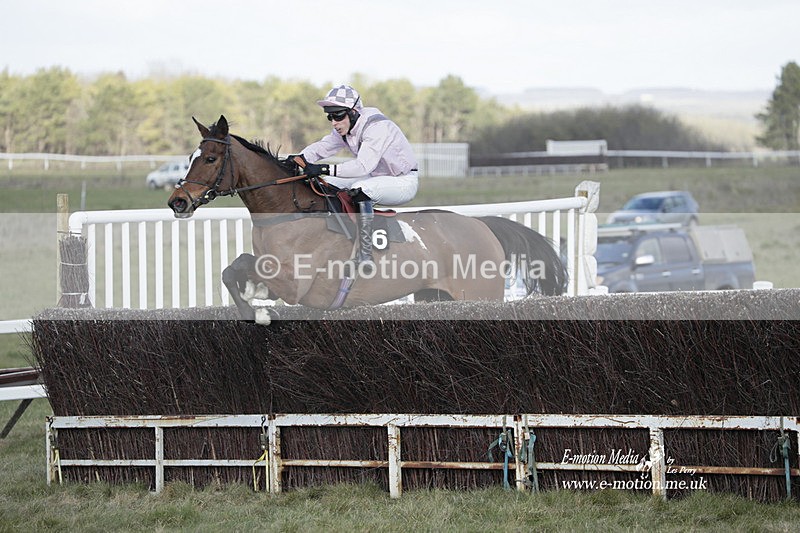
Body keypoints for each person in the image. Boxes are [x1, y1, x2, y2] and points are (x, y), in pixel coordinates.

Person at [296, 85, 419, 267]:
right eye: (330, 116)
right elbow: (321, 147)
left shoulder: (377, 128)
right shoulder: (346, 128)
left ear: (353, 113)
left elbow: (362, 166)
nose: (333, 122)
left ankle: (365, 254)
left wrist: (322, 168)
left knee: (360, 189)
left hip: (402, 181)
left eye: (337, 115)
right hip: (375, 177)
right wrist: (298, 158)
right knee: (325, 182)